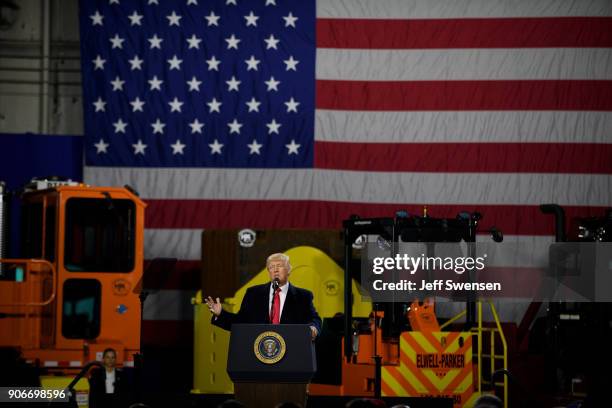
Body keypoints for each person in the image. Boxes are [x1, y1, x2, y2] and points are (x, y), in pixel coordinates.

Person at [205, 253, 321, 340]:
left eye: (279, 266)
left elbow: (314, 319)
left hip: (291, 353)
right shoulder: (253, 293)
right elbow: (241, 322)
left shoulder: (303, 296)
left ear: (289, 270)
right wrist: (221, 314)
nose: (275, 270)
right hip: (259, 353)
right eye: (271, 267)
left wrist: (313, 328)